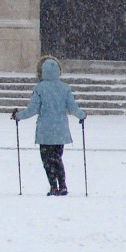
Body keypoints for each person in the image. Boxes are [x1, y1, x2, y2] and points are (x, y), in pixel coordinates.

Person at [12, 56, 86, 196]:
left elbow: (33, 109)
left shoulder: (39, 88)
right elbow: (72, 108)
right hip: (60, 130)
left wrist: (18, 116)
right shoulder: (65, 88)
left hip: (45, 131)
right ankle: (63, 184)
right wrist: (82, 115)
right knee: (58, 158)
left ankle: (53, 186)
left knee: (47, 161)